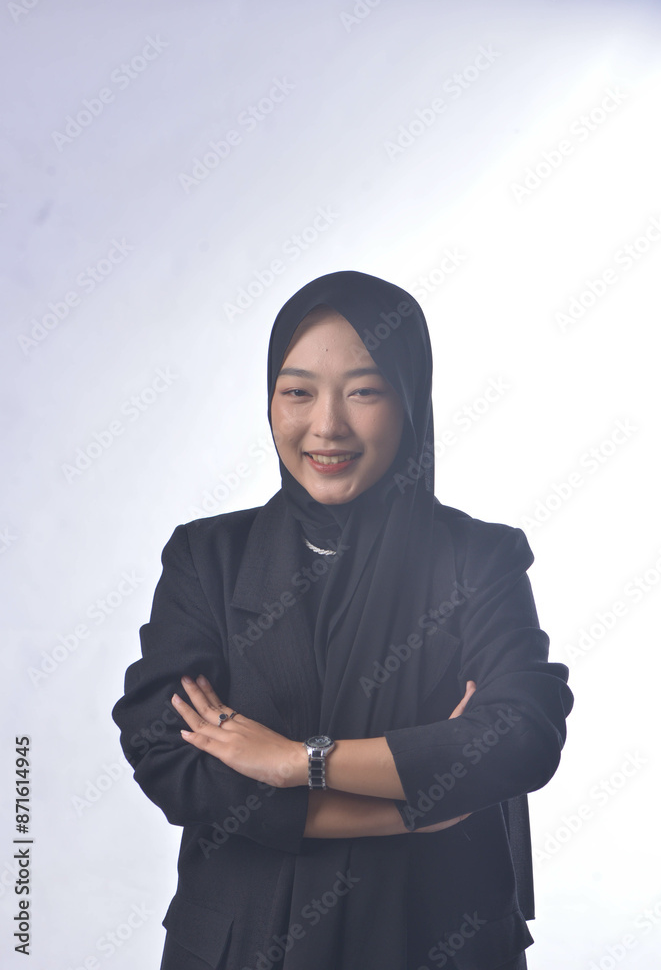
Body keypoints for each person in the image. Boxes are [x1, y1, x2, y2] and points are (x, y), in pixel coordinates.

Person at [112, 270, 574, 970]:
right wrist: (403, 810)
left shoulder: (480, 559)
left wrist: (296, 761)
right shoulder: (208, 557)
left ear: (409, 400)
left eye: (364, 391)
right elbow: (166, 753)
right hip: (245, 944)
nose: (327, 425)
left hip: (431, 941)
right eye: (298, 392)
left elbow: (519, 738)